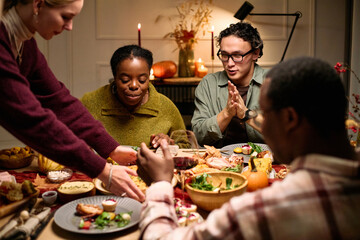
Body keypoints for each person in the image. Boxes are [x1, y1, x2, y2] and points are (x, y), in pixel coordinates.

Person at [137, 56, 360, 239]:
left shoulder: (260, 211)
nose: (260, 121)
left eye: (264, 113)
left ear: (290, 119)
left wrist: (161, 183)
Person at [0, 0, 144, 201]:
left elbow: (59, 100)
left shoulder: (25, 43)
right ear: (37, 4)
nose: (70, 27)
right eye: (66, 17)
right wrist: (102, 169)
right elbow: (32, 119)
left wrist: (111, 148)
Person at [81, 45, 186, 148]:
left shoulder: (166, 107)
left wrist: (170, 144)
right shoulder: (90, 102)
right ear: (115, 77)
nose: (134, 86)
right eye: (125, 80)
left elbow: (186, 147)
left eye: (142, 80)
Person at [191, 22, 267, 148]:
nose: (229, 63)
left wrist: (246, 114)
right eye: (225, 55)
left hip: (268, 162)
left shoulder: (275, 83)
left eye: (237, 55)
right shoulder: (209, 84)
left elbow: (286, 135)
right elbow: (199, 136)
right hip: (219, 162)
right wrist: (226, 114)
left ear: (255, 53)